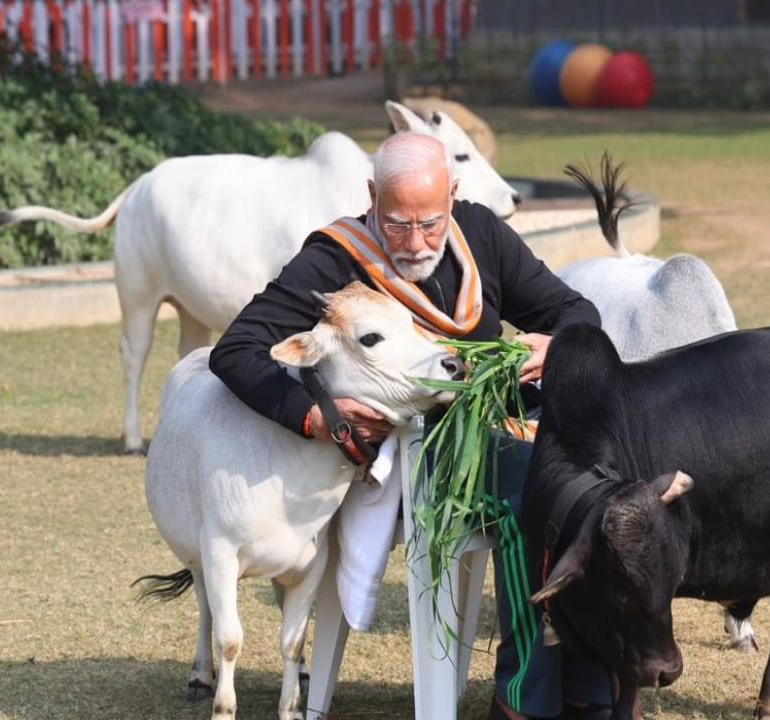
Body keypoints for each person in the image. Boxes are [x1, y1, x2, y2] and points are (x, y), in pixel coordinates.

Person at [209, 131, 609, 720]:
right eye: (397, 224)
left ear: (454, 194)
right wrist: (317, 416)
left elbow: (576, 311)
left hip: (501, 432)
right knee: (538, 486)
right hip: (412, 461)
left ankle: (589, 681)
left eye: (430, 222)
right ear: (372, 197)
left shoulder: (481, 234)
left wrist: (551, 344)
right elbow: (236, 349)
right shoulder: (336, 257)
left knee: (598, 477)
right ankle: (525, 694)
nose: (416, 243)